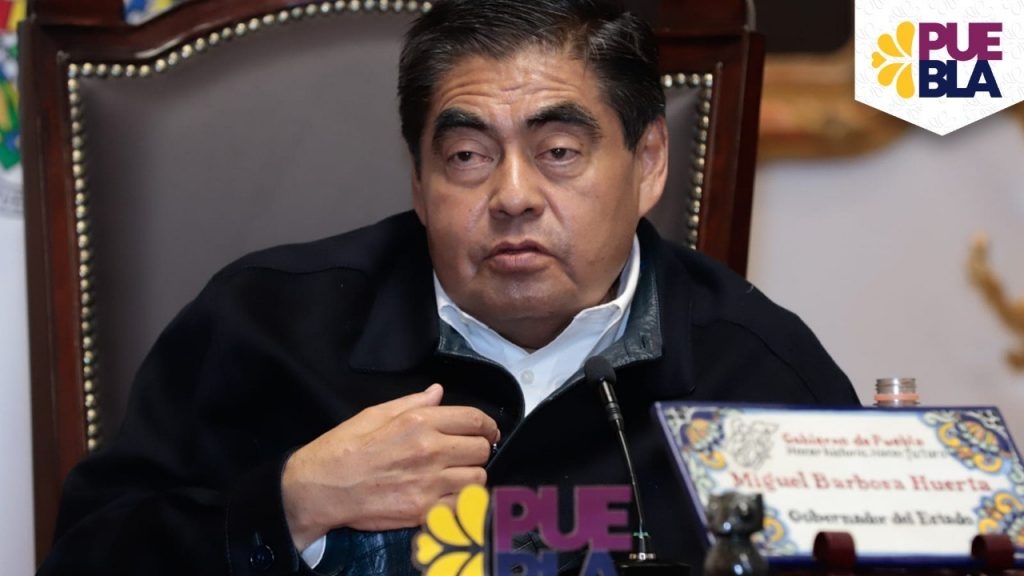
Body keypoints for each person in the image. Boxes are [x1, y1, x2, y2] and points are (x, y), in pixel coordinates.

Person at [37, 1, 860, 575]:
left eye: (559, 152)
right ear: (421, 183)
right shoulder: (263, 329)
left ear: (647, 163)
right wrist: (291, 504)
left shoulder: (757, 375)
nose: (513, 196)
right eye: (467, 157)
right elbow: (86, 557)